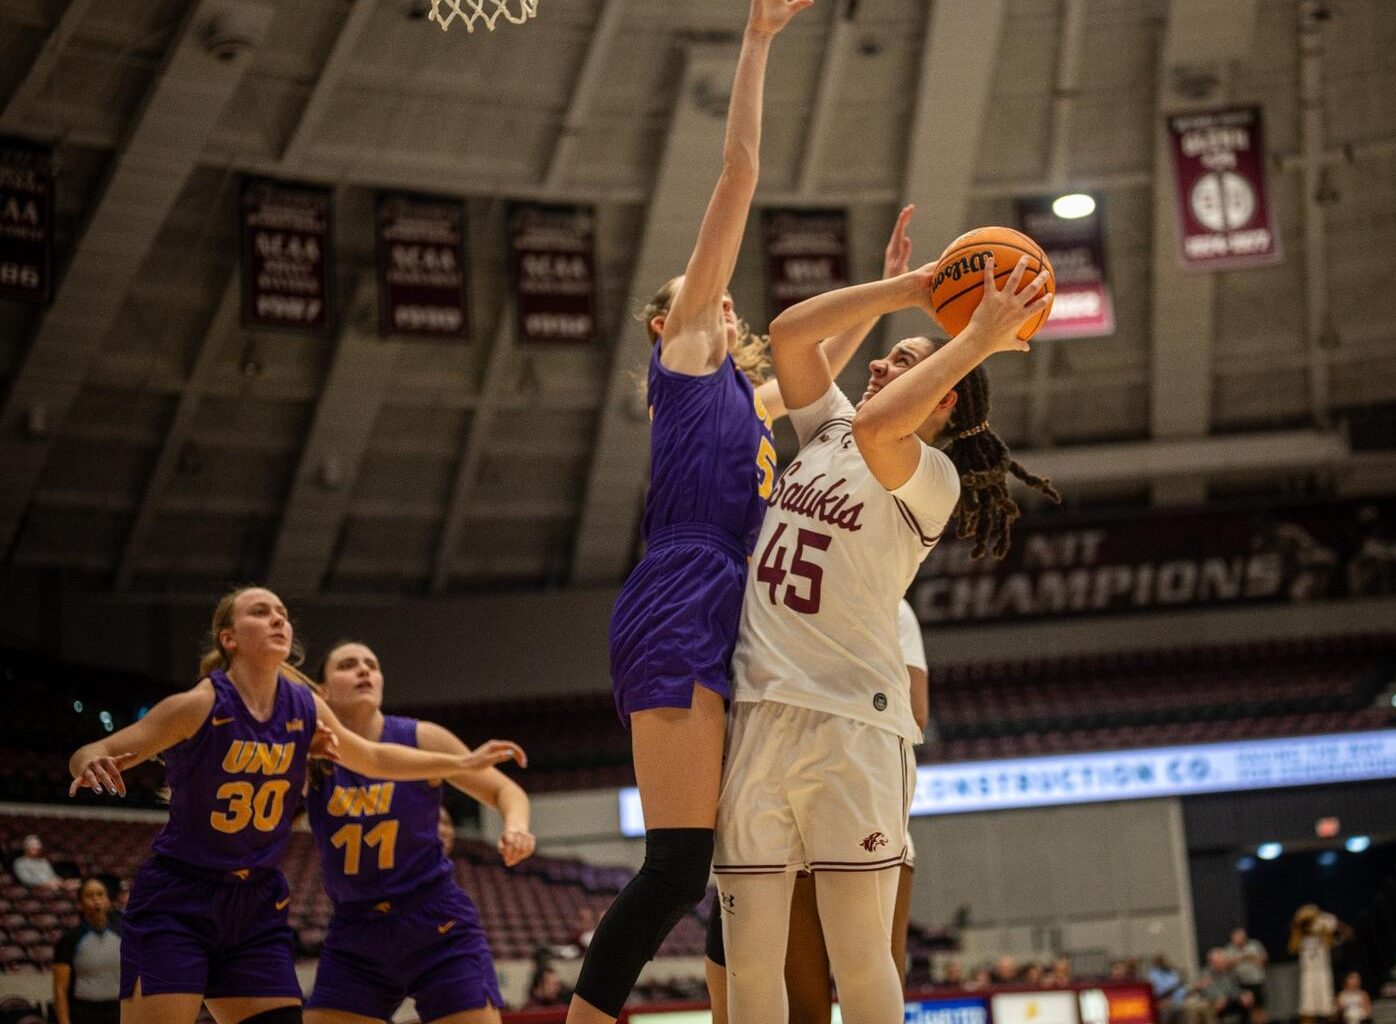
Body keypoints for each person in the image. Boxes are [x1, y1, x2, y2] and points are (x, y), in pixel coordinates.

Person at [571, 1, 886, 1019]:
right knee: (676, 864)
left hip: (738, 612)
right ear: (670, 321)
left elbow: (819, 366)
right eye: (705, 298)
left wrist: (889, 289)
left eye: (727, 302)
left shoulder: (746, 403)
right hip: (678, 593)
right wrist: (756, 41)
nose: (726, 307)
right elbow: (738, 176)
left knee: (740, 862)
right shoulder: (687, 357)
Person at [712, 251, 1058, 1024]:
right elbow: (790, 333)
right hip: (760, 714)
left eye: (903, 358)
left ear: (946, 399)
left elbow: (879, 425)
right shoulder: (827, 428)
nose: (878, 360)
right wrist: (913, 289)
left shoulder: (928, 477)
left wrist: (975, 336)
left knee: (862, 961)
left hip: (853, 728)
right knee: (752, 967)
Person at [65, 585, 524, 1024]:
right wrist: (87, 762)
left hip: (258, 904)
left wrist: (461, 762)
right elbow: (95, 751)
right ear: (229, 639)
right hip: (182, 896)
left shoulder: (304, 708)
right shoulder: (200, 705)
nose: (278, 618)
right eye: (261, 612)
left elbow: (372, 757)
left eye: (282, 613)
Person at [702, 597, 929, 1024]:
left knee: (870, 977)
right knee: (801, 1007)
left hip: (856, 805)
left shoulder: (890, 605)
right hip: (777, 819)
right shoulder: (761, 595)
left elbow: (916, 712)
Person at [304, 641, 538, 1024]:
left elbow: (504, 790)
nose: (364, 670)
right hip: (356, 929)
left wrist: (517, 829)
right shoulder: (311, 753)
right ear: (322, 691)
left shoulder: (420, 737)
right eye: (348, 665)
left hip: (434, 922)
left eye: (372, 664)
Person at [52, 878, 122, 1024]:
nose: (96, 900)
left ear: (108, 901)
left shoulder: (123, 935)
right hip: (84, 1013)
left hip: (119, 1010)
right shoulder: (69, 940)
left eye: (100, 894)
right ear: (80, 903)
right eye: (90, 895)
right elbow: (60, 989)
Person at [1290, 904, 1348, 1024]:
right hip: (1308, 972)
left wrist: (1322, 929)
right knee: (1307, 1008)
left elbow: (1330, 942)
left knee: (1327, 1007)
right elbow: (1293, 948)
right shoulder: (1300, 935)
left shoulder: (1323, 928)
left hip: (1322, 970)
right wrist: (1298, 928)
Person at [1226, 927, 1268, 1019]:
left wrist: (1251, 957)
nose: (1240, 938)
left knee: (1259, 1008)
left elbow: (1264, 960)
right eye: (1237, 937)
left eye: (1242, 936)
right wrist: (1241, 958)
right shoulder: (1229, 949)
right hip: (1240, 984)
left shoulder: (1254, 945)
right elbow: (1226, 965)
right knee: (1245, 1011)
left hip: (1256, 981)